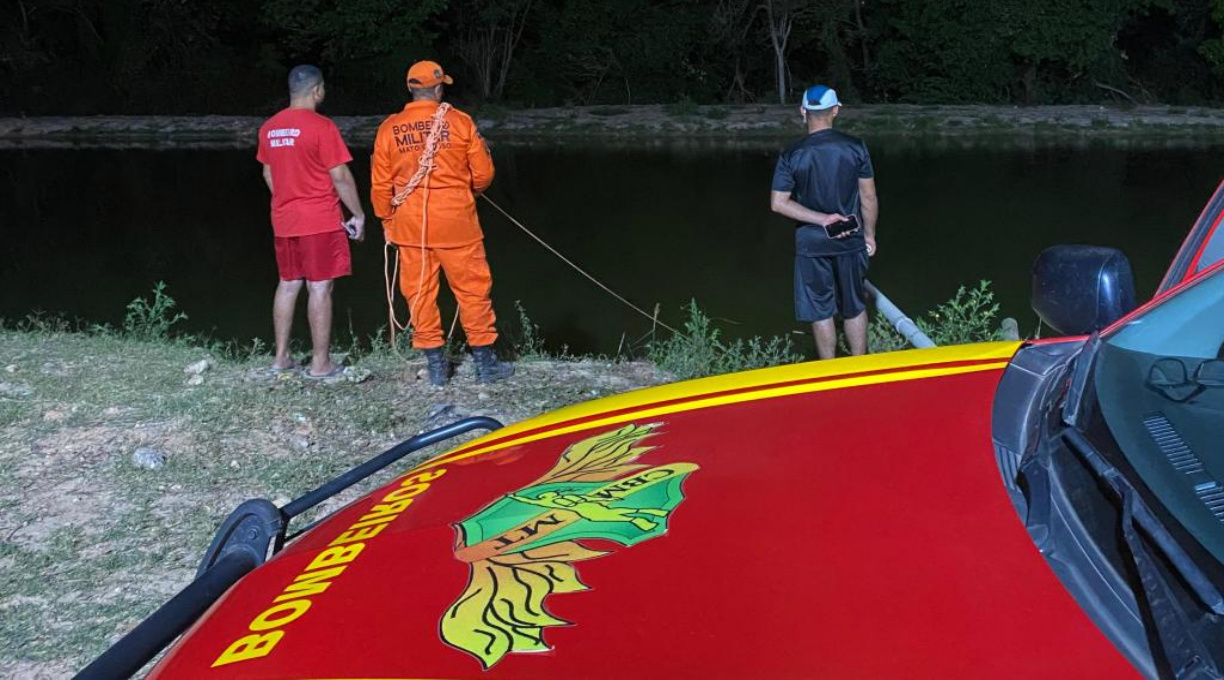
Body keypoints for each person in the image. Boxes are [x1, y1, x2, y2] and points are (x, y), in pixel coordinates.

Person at [370, 60, 513, 386]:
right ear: (437, 88)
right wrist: (465, 194)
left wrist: (387, 220)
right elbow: (483, 174)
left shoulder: (389, 128)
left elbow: (381, 186)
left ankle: (436, 368)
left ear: (410, 88)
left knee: (419, 295)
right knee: (473, 292)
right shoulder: (459, 122)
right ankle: (484, 366)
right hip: (457, 225)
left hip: (411, 228)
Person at [257, 65, 365, 379]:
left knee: (288, 284)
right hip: (319, 219)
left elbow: (267, 173)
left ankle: (281, 359)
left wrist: (289, 198)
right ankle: (320, 364)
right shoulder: (322, 126)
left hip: (284, 219)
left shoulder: (270, 128)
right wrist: (358, 215)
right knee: (320, 287)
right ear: (317, 90)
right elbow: (341, 176)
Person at [770, 84, 879, 360]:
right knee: (854, 306)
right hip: (850, 239)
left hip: (812, 242)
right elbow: (868, 198)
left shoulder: (792, 154)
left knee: (820, 310)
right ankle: (859, 367)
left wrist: (821, 220)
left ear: (803, 111)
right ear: (836, 110)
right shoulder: (856, 148)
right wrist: (869, 235)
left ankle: (828, 372)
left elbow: (778, 203)